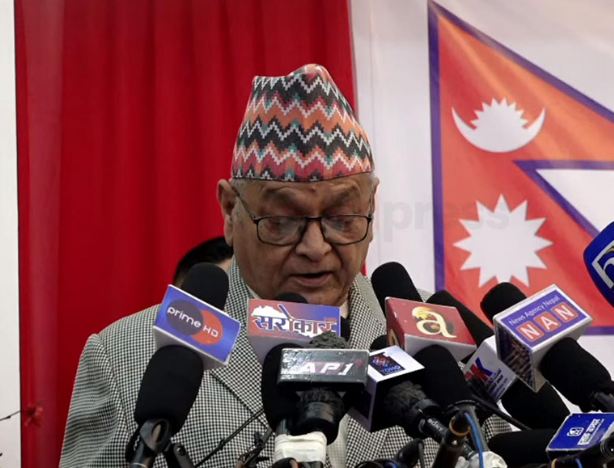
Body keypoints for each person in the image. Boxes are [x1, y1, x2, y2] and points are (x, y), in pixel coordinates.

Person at [61, 64, 507, 468]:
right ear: (230, 209)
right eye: (282, 221)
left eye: (342, 218)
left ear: (371, 206)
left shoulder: (444, 341)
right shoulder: (126, 357)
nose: (315, 247)